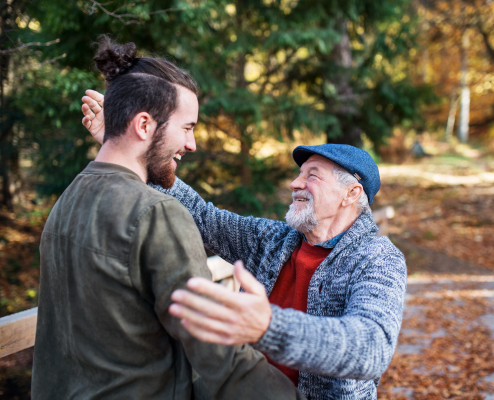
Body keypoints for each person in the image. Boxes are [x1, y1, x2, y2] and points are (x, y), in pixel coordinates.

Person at [82, 59, 407, 400]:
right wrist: (125, 146)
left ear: (351, 194)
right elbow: (200, 216)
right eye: (299, 174)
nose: (296, 183)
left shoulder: (378, 259)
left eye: (312, 175)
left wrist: (268, 327)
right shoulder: (273, 241)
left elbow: (371, 347)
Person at [32, 37, 305, 400]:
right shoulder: (157, 214)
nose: (191, 145)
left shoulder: (67, 201)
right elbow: (219, 353)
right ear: (144, 125)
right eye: (187, 127)